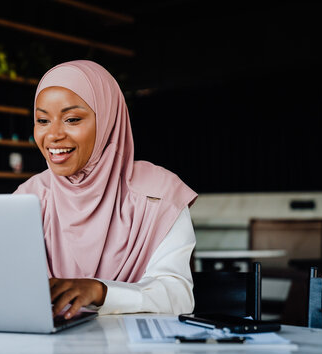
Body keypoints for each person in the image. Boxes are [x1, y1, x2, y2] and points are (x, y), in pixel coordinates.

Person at [14, 60, 197, 319]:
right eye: (42, 120)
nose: (53, 134)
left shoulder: (159, 195)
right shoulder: (28, 198)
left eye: (72, 119)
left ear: (108, 120)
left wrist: (101, 292)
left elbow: (178, 296)